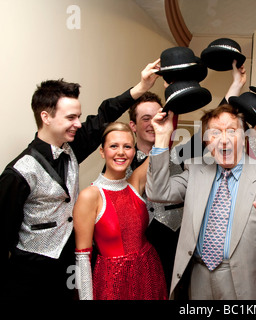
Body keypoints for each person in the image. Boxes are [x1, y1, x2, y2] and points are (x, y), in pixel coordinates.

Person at [0, 60, 161, 300]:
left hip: (68, 266)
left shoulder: (73, 147)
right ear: (46, 116)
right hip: (29, 273)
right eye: (71, 117)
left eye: (79, 117)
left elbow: (105, 114)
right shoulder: (19, 172)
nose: (78, 123)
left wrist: (139, 88)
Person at [146, 104, 256, 300]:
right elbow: (158, 192)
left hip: (246, 284)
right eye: (215, 133)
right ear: (207, 142)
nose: (224, 140)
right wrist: (163, 138)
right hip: (198, 277)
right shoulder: (195, 170)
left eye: (232, 131)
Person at [73, 122, 167, 300]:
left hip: (148, 272)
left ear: (134, 151)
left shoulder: (135, 183)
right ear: (102, 151)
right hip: (113, 281)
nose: (121, 152)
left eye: (127, 146)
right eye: (113, 146)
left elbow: (160, 151)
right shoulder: (90, 196)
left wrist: (166, 123)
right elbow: (83, 260)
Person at [127, 91, 183, 291]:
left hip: (179, 250)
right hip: (143, 253)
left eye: (157, 117)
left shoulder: (181, 157)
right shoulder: (120, 162)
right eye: (145, 118)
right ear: (133, 126)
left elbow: (209, 131)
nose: (153, 123)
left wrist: (236, 86)